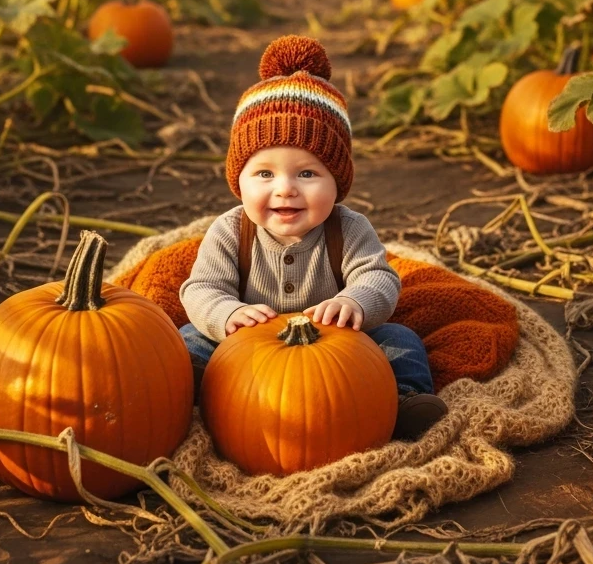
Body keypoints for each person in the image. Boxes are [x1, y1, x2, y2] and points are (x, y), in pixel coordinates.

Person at [178, 35, 447, 441]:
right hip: (249, 347)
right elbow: (201, 288)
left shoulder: (348, 228)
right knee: (188, 338)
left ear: (337, 182)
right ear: (238, 181)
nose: (285, 189)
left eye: (307, 173)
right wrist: (227, 313)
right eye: (264, 174)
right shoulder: (231, 231)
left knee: (399, 338)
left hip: (335, 346)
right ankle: (193, 393)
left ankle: (405, 400)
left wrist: (353, 302)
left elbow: (380, 277)